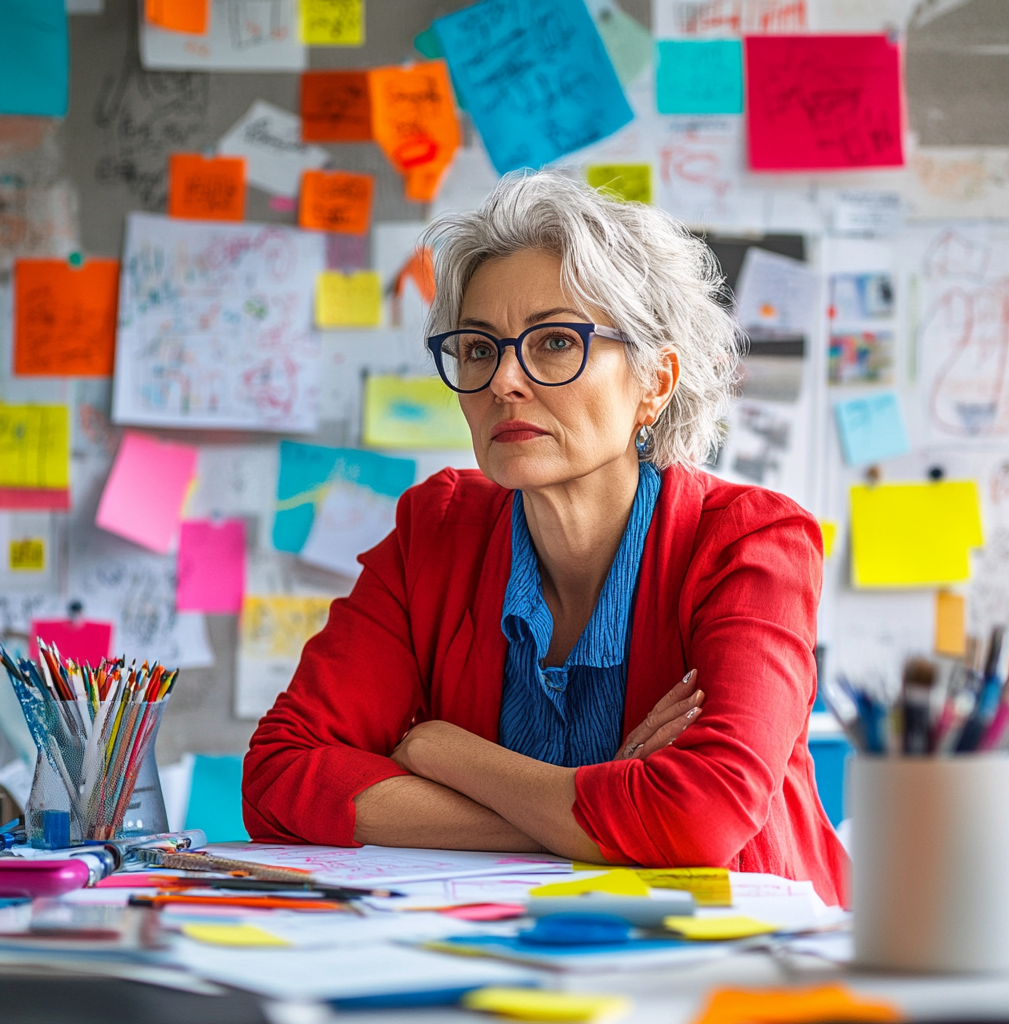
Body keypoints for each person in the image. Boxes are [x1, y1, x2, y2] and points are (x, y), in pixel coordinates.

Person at [243, 172, 848, 906]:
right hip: (508, 953)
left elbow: (699, 816)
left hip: (746, 969)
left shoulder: (750, 543)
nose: (503, 382)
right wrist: (583, 812)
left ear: (655, 381)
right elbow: (279, 776)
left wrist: (449, 755)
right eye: (477, 349)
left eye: (556, 341)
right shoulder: (435, 529)